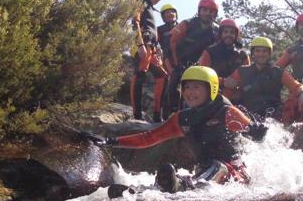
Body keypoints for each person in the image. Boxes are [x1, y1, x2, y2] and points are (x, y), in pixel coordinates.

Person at [91, 66, 268, 193]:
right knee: (199, 173)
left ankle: (179, 187)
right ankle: (142, 193)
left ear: (211, 88)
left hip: (235, 175)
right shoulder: (182, 118)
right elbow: (148, 138)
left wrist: (256, 131)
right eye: (187, 87)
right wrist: (111, 141)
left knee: (217, 167)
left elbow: (253, 135)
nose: (190, 92)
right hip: (205, 173)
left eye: (196, 87)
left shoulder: (227, 113)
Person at [223, 37, 303, 124]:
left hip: (275, 116)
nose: (261, 54)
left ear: (269, 54)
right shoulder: (241, 71)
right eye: (257, 51)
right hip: (248, 117)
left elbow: (296, 86)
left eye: (265, 51)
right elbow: (226, 94)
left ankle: (302, 134)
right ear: (253, 53)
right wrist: (224, 83)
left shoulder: (278, 72)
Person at [167, 0, 219, 114]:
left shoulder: (216, 31)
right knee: (174, 87)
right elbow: (171, 42)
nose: (207, 13)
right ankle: (172, 114)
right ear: (199, 11)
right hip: (181, 64)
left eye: (211, 11)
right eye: (205, 10)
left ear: (215, 14)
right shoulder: (187, 24)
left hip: (203, 69)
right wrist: (175, 64)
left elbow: (220, 49)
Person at [130, 0, 169, 122]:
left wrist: (157, 46)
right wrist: (140, 44)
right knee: (140, 75)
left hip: (152, 47)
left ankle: (157, 116)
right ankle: (137, 115)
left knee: (163, 77)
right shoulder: (140, 2)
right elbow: (135, 23)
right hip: (144, 44)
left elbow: (152, 29)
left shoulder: (151, 9)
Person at [198, 19, 250, 100]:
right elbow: (201, 75)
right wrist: (222, 81)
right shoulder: (209, 51)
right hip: (213, 94)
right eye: (225, 32)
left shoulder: (243, 55)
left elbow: (248, 78)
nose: (228, 35)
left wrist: (237, 86)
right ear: (221, 34)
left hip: (237, 96)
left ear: (236, 35)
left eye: (232, 32)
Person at [157, 4, 179, 119]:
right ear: (163, 17)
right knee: (168, 88)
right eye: (167, 13)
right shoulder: (160, 30)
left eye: (172, 12)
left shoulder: (183, 26)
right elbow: (155, 44)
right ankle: (165, 116)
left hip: (182, 61)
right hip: (167, 60)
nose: (170, 14)